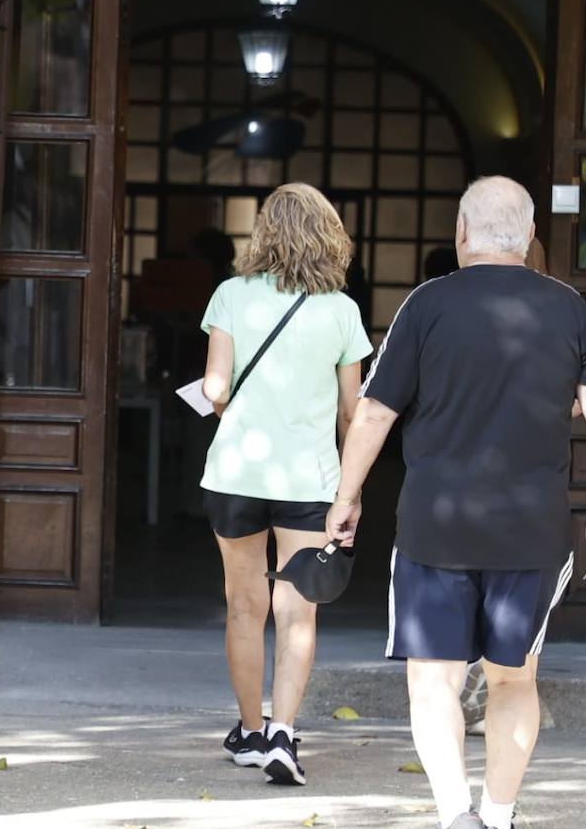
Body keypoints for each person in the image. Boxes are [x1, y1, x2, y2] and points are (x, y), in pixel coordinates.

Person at [327, 176, 586, 829]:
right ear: (531, 236)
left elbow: (373, 414)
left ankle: (456, 814)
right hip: (534, 530)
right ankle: (499, 815)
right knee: (515, 682)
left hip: (436, 528)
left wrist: (347, 498)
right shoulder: (572, 310)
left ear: (461, 233)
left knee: (434, 683)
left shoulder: (426, 306)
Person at [199, 182, 373, 787]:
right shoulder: (341, 310)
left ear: (264, 232)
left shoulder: (230, 295)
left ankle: (248, 732)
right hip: (311, 478)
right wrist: (351, 491)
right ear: (329, 236)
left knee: (244, 606)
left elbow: (216, 389)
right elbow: (354, 412)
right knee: (298, 613)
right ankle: (283, 733)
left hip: (235, 473)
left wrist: (228, 408)